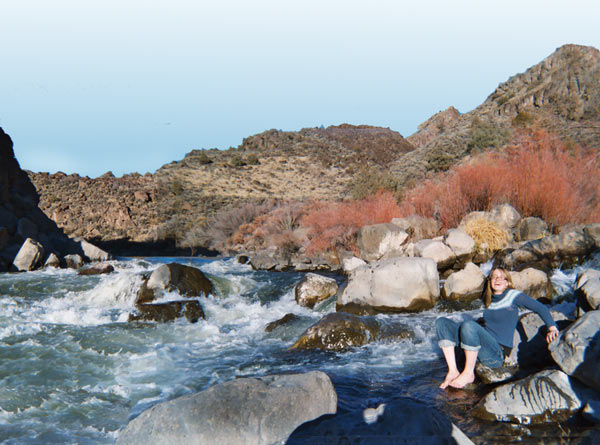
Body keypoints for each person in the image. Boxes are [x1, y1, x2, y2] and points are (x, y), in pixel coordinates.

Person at [435, 267, 559, 389]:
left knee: (468, 325)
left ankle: (468, 373)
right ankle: (453, 371)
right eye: (494, 277)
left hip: (497, 353)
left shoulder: (513, 295)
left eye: (502, 277)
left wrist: (552, 327)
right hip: (484, 345)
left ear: (507, 282)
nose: (497, 279)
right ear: (490, 281)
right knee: (442, 322)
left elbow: (540, 308)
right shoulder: (490, 300)